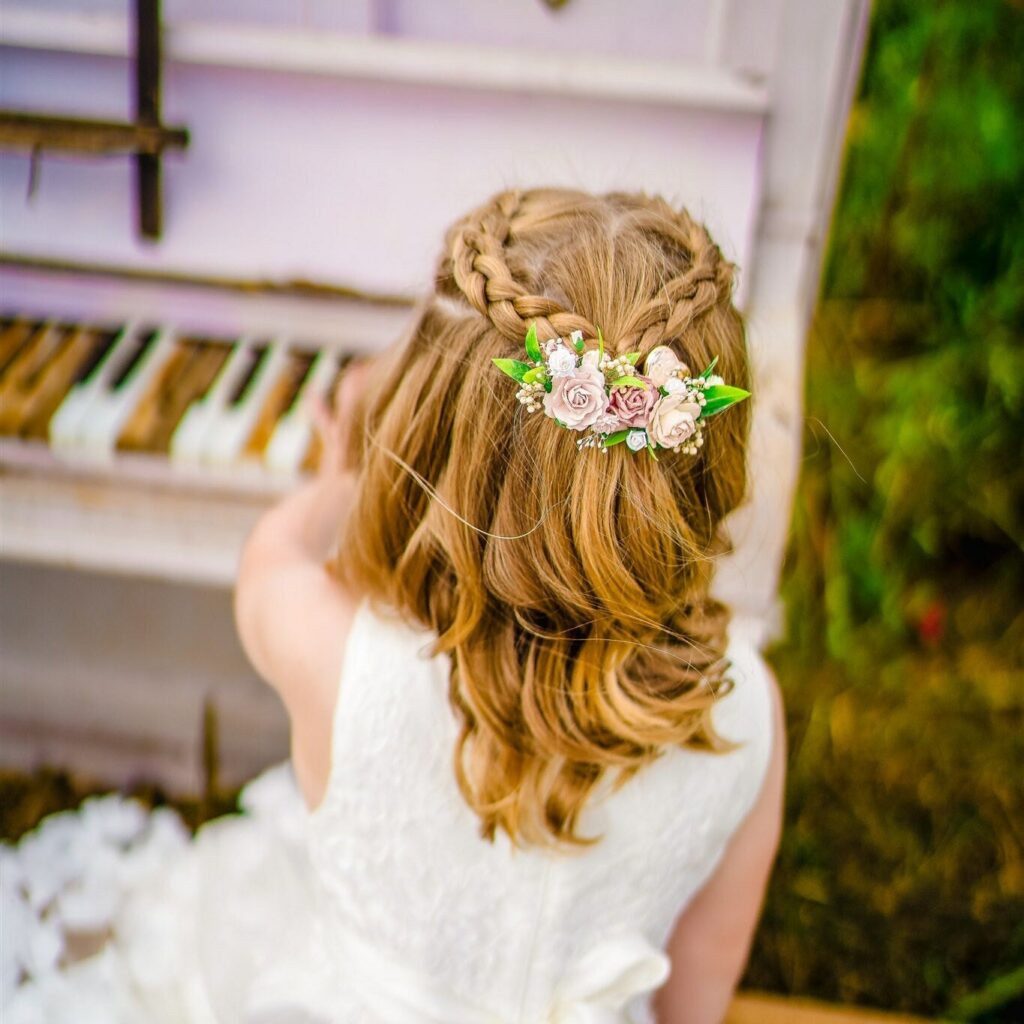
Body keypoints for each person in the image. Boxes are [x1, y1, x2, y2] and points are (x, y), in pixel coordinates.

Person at [2, 188, 786, 1024]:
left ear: (426, 436)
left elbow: (272, 560)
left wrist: (346, 469)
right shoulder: (750, 715)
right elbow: (696, 995)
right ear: (706, 468)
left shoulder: (334, 653)